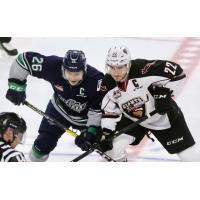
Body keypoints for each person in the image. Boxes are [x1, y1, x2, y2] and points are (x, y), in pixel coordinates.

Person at [97, 45, 200, 162]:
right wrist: (106, 134)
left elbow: (178, 73)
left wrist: (165, 94)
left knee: (190, 158)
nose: (115, 73)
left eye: (120, 67)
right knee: (112, 150)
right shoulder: (107, 83)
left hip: (164, 118)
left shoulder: (144, 69)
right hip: (134, 121)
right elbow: (110, 112)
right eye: (112, 67)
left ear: (128, 64)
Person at [6, 49, 104, 161]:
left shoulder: (96, 81)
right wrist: (16, 86)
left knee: (106, 147)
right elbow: (23, 61)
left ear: (84, 71)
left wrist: (91, 133)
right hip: (58, 110)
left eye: (76, 74)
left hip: (85, 119)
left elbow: (97, 110)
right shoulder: (52, 66)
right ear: (62, 69)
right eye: (69, 73)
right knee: (41, 146)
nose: (72, 78)